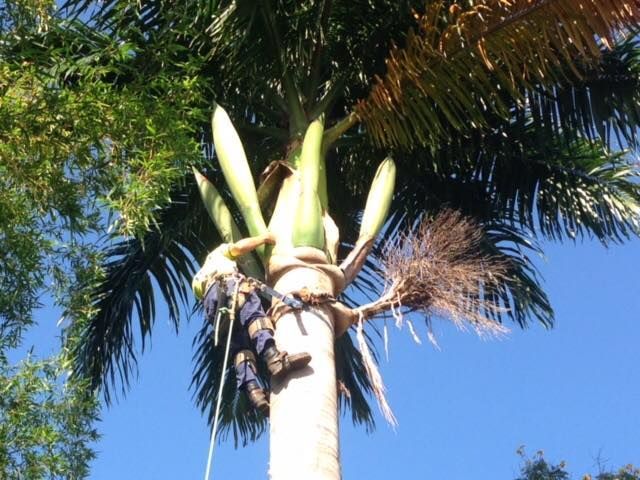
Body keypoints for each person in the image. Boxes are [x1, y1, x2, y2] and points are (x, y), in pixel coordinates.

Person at [192, 232, 311, 416]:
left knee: (239, 345)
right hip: (229, 285)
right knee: (254, 316)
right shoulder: (217, 255)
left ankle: (254, 392)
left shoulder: (197, 280)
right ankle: (274, 358)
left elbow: (209, 298)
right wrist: (265, 238)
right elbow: (238, 248)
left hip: (212, 305)